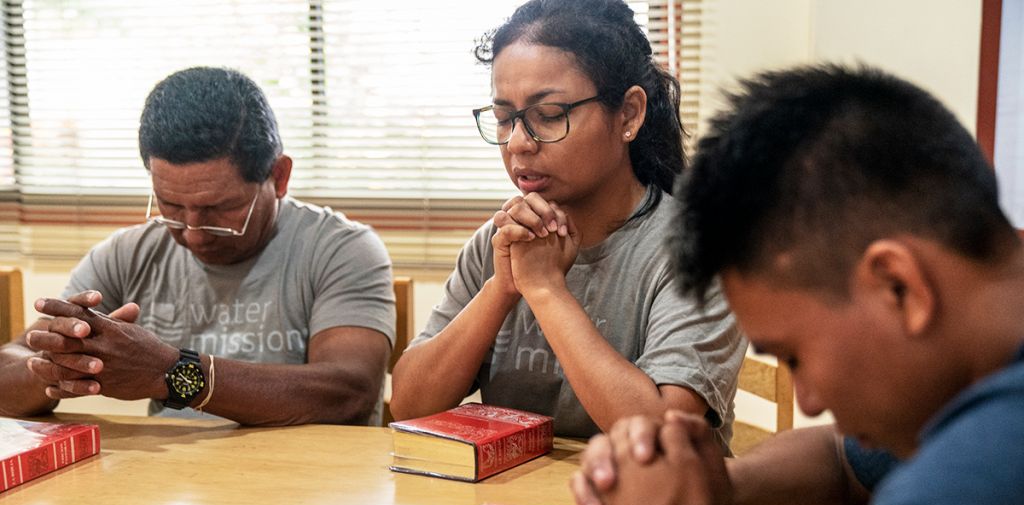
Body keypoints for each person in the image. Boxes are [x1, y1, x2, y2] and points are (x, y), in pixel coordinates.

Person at [572, 64, 1024, 505]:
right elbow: (842, 461)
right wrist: (711, 488)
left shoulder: (998, 458)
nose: (807, 400)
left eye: (794, 356)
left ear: (898, 285)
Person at [390, 0, 744, 441]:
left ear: (629, 114)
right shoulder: (499, 241)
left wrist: (545, 289)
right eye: (504, 119)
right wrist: (501, 288)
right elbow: (409, 405)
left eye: (550, 116)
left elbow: (659, 434)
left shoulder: (699, 249)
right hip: (523, 487)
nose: (517, 143)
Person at [0, 67, 395, 426]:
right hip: (175, 477)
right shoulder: (128, 255)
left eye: (219, 209)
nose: (193, 233)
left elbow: (349, 393)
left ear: (278, 177)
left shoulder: (340, 249)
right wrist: (62, 364)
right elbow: (8, 373)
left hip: (311, 476)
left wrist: (171, 372)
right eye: (170, 206)